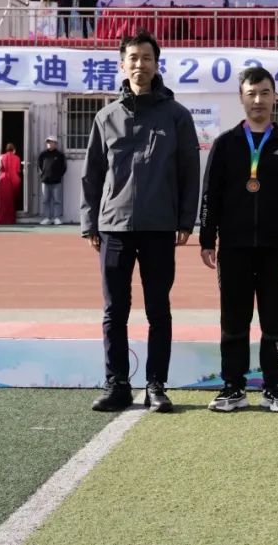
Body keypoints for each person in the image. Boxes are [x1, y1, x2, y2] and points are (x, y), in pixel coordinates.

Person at [81, 30, 200, 413]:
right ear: (122, 64)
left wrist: (186, 220)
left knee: (158, 310)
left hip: (160, 226)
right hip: (113, 227)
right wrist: (90, 222)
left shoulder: (176, 116)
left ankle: (155, 386)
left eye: (146, 58)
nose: (140, 65)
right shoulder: (106, 117)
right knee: (114, 311)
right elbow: (92, 174)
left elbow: (189, 171)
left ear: (156, 64)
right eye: (133, 58)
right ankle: (116, 384)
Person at [200, 67, 278, 414]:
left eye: (265, 93)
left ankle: (274, 388)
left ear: (275, 97)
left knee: (273, 323)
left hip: (276, 251)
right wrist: (207, 238)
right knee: (233, 321)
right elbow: (210, 195)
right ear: (241, 98)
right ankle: (233, 387)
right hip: (233, 249)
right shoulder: (225, 144)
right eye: (251, 93)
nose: (258, 100)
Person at [38, 135, 67, 225]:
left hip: (56, 182)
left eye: (50, 142)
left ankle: (56, 218)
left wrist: (58, 176)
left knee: (57, 201)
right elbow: (39, 166)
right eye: (47, 142)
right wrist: (43, 175)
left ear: (55, 143)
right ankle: (47, 218)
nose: (49, 144)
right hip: (45, 181)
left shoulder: (60, 155)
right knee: (45, 201)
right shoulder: (43, 154)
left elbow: (64, 167)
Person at [0, 143, 22, 225]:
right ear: (14, 150)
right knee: (12, 200)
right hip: (14, 179)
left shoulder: (1, 157)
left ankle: (1, 219)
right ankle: (10, 219)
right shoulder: (17, 158)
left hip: (3, 179)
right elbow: (18, 170)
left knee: (2, 200)